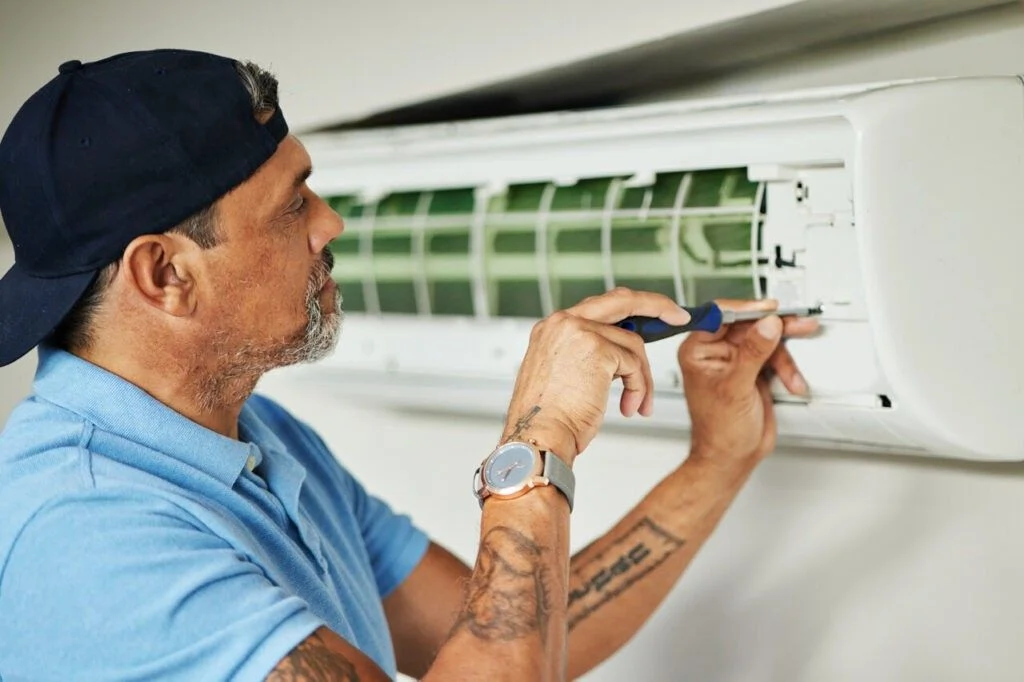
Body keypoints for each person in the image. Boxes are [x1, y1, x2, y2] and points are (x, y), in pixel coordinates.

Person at [0, 49, 817, 681]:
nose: (331, 225)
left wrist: (721, 459)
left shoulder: (245, 431)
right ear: (167, 275)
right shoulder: (89, 537)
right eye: (293, 205)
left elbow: (512, 637)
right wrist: (534, 446)